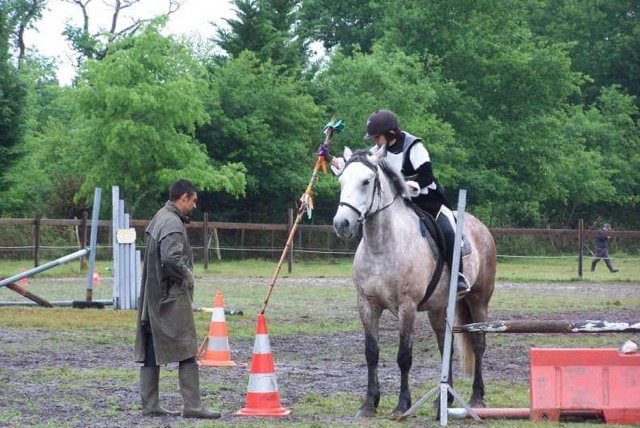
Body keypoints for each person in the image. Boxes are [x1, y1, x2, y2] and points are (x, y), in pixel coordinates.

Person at [320, 109, 470, 296]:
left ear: (390, 134)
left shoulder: (413, 146)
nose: (374, 141)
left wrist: (407, 184)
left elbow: (426, 176)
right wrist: (329, 158)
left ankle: (458, 277)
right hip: (397, 203)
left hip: (427, 200)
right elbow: (357, 169)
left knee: (448, 229)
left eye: (377, 137)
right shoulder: (378, 151)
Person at [134, 179, 221, 419]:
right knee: (187, 347)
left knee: (152, 350)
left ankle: (150, 404)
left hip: (154, 298)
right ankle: (192, 406)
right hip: (169, 298)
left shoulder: (160, 217)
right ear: (183, 198)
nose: (194, 206)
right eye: (193, 201)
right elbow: (171, 258)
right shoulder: (172, 223)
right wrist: (188, 276)